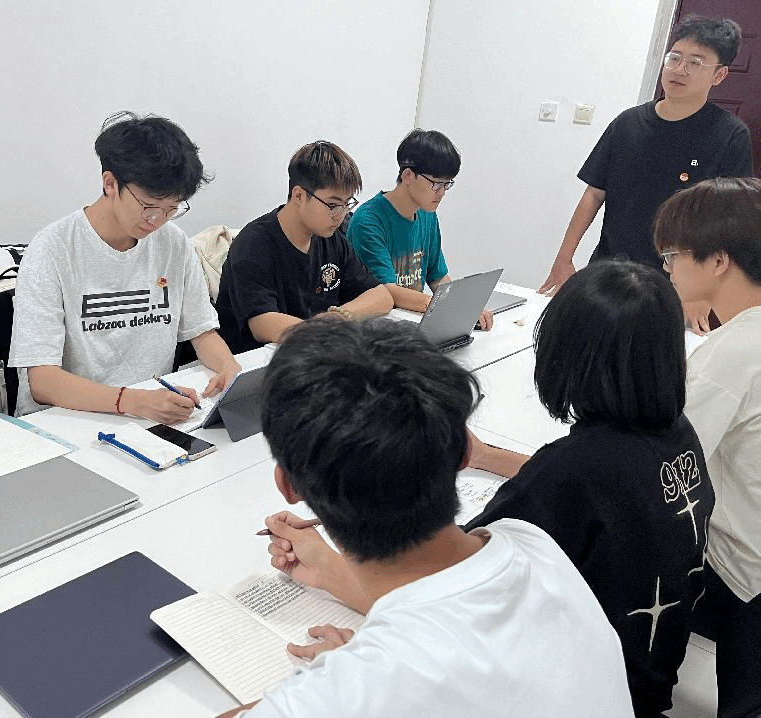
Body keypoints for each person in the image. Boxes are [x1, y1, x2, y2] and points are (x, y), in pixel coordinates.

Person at [220, 319, 634, 718]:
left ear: (289, 486)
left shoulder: (363, 689)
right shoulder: (533, 542)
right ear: (464, 452)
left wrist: (339, 684)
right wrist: (331, 576)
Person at [463, 260, 713, 717]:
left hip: (587, 698)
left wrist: (330, 563)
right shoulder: (677, 433)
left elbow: (442, 572)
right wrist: (484, 456)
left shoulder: (574, 468)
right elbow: (599, 489)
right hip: (646, 683)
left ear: (565, 355)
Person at [10, 111, 240, 422]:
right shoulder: (52, 249)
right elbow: (42, 381)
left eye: (171, 209)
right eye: (149, 206)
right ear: (110, 183)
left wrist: (228, 367)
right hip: (66, 419)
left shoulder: (173, 243)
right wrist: (132, 401)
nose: (157, 220)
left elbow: (201, 332)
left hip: (144, 415)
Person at [539, 15, 752, 335]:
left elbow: (732, 222)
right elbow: (593, 194)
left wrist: (705, 291)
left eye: (695, 62)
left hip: (679, 287)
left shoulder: (730, 135)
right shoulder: (627, 124)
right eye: (675, 58)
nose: (680, 69)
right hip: (610, 270)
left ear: (719, 75)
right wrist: (564, 258)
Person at [654, 176, 761, 718]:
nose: (667, 269)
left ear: (719, 261)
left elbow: (649, 467)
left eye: (672, 255)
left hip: (745, 576)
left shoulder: (733, 352)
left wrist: (489, 457)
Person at [215, 141, 393, 354]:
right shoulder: (253, 244)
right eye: (332, 205)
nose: (340, 215)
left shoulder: (331, 238)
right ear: (299, 195)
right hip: (260, 361)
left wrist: (340, 316)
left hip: (314, 352)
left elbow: (381, 296)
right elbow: (263, 325)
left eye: (347, 204)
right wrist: (325, 330)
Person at [347, 128, 493, 330]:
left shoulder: (427, 214)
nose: (442, 193)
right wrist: (443, 307)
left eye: (447, 184)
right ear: (408, 175)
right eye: (436, 184)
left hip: (411, 321)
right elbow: (387, 291)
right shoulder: (369, 221)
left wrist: (463, 307)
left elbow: (438, 276)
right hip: (375, 327)